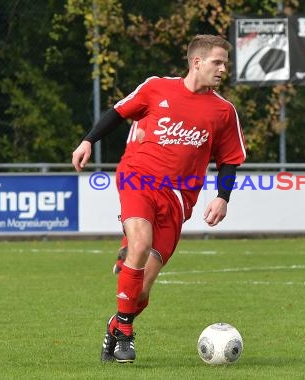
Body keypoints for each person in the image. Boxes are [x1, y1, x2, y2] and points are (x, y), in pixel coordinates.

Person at [71, 34, 246, 364]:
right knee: (140, 245)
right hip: (138, 177)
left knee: (144, 288)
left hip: (179, 196)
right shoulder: (156, 88)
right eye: (217, 62)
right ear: (196, 62)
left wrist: (223, 197)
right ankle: (125, 334)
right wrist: (87, 141)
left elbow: (230, 160)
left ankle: (116, 324)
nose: (223, 68)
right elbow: (118, 112)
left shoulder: (224, 111)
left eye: (225, 63)